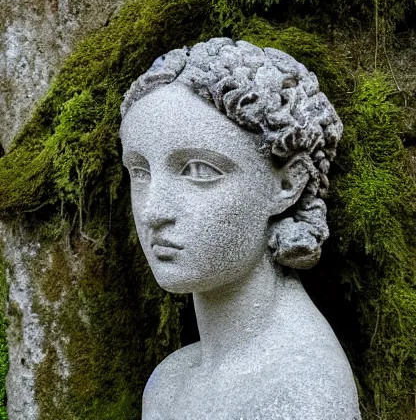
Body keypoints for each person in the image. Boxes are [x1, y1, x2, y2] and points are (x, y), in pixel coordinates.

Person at [120, 38, 361, 420]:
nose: (153, 211)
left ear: (286, 184)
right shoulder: (169, 381)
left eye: (199, 170)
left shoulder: (302, 397)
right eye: (140, 172)